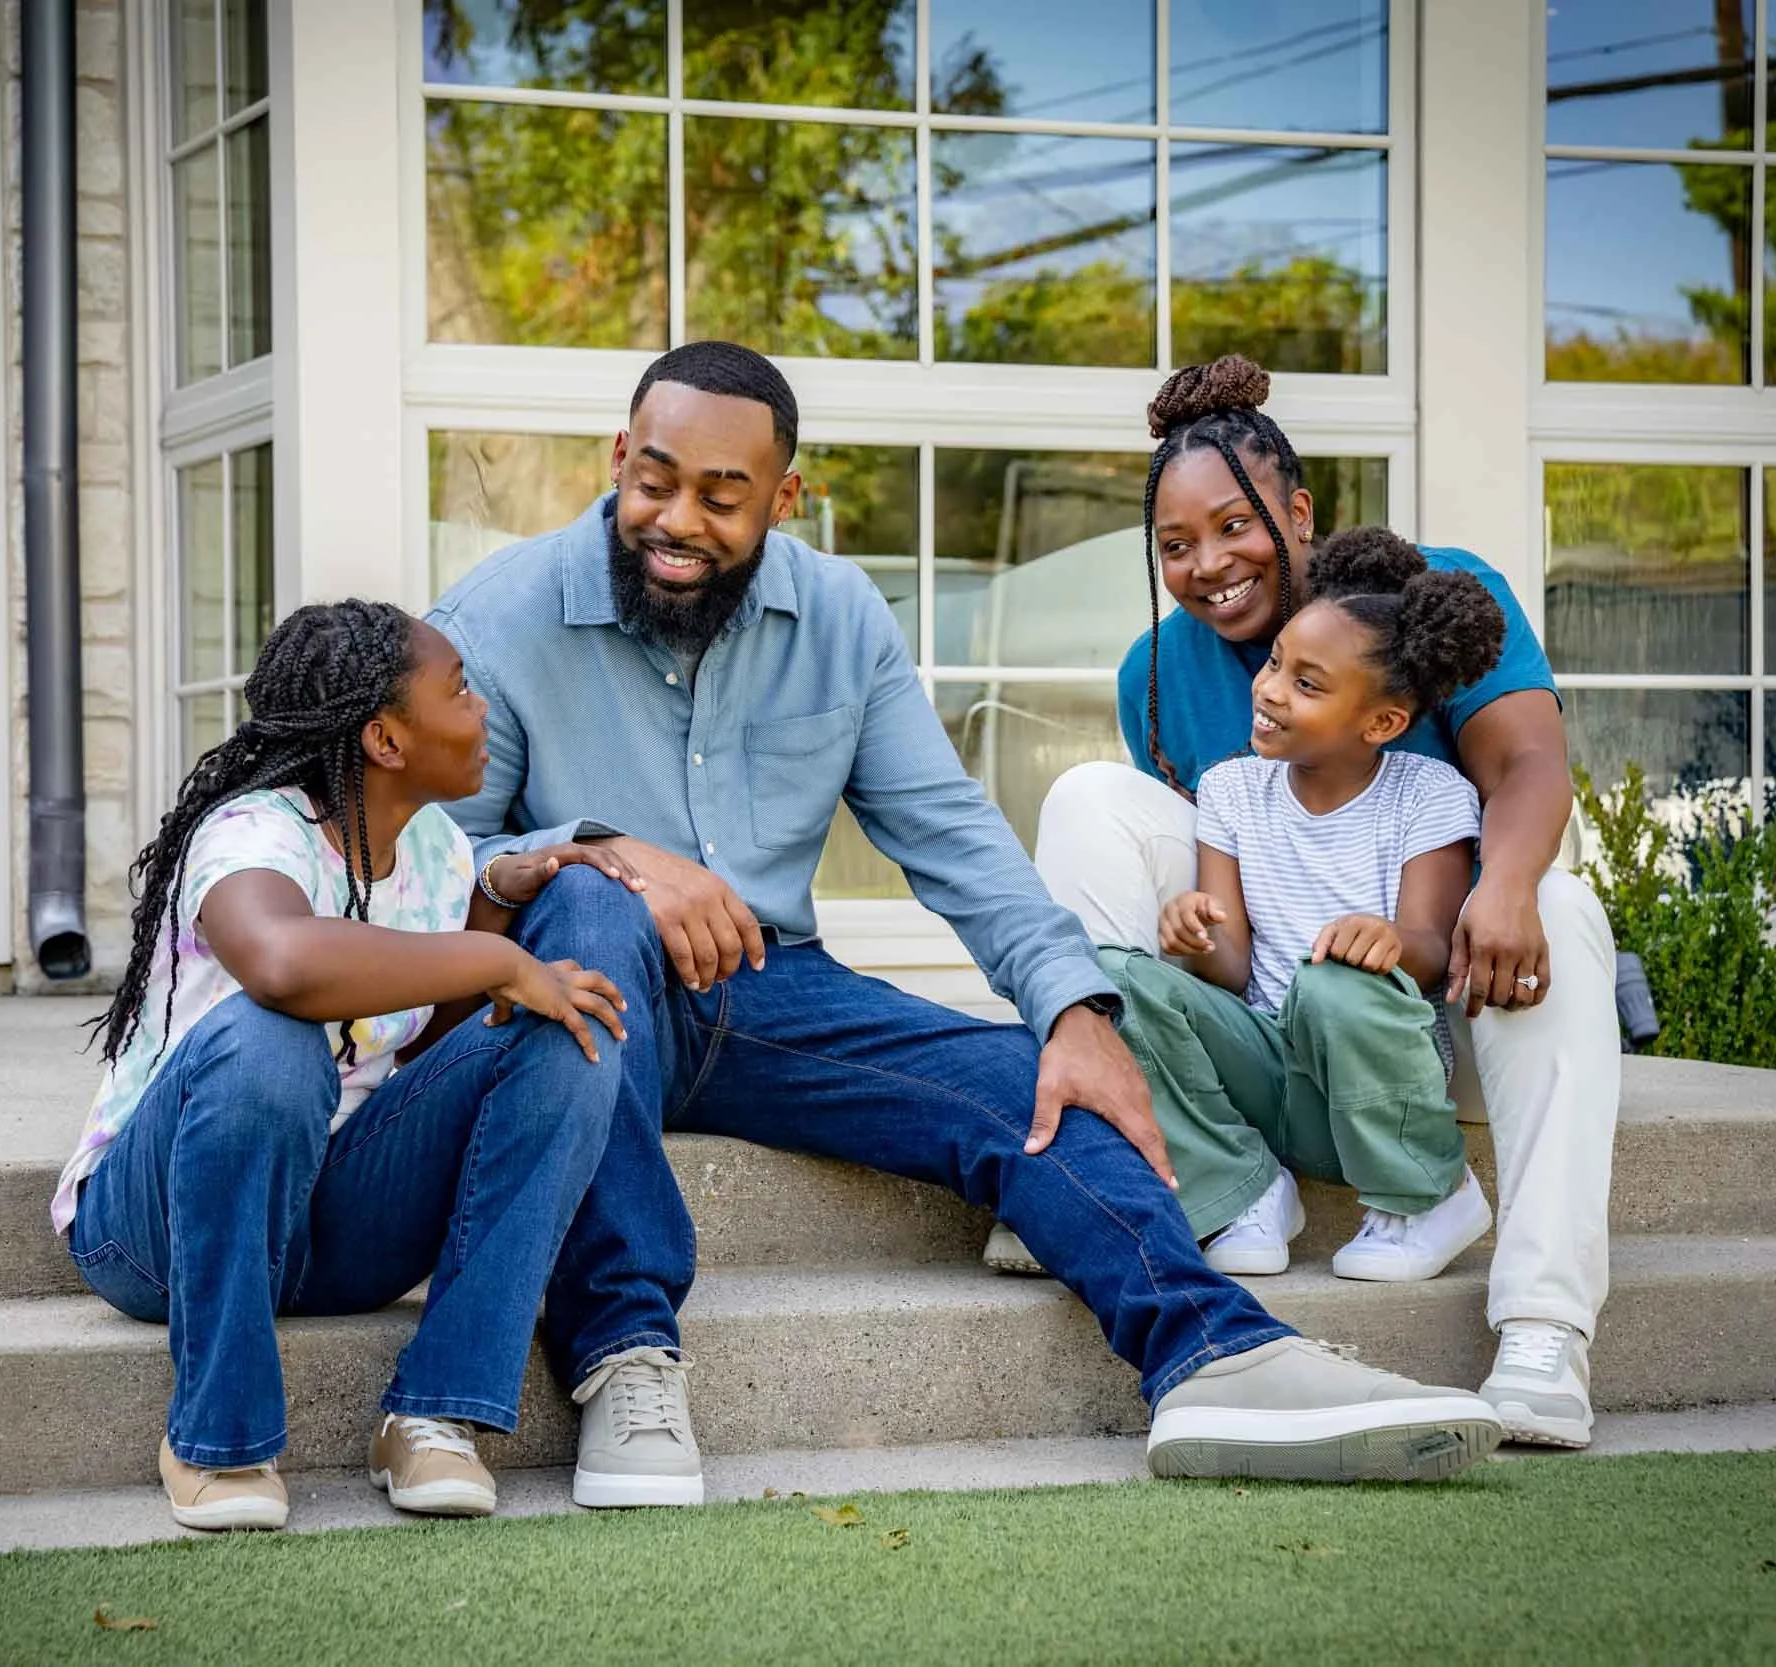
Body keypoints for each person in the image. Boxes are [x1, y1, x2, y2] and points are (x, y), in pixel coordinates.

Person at [428, 340, 1507, 1489]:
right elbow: (433, 873)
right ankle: (625, 1353)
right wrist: (606, 854)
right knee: (595, 909)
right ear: (616, 459)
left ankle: (1215, 1355)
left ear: (785, 499)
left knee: (1038, 1087)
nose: (676, 518)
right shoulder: (499, 618)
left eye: (722, 495)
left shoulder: (838, 615)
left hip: (768, 992)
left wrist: (1075, 1009)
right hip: (567, 995)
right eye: (653, 480)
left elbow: (952, 835)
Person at [1029, 355, 1618, 1450]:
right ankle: (1113, 1152)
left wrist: (1501, 884)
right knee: (1084, 798)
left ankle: (1542, 1323)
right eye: (1173, 544)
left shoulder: (1428, 599)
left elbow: (1531, 763)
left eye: (1233, 526)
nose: (1208, 565)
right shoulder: (1155, 673)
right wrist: (1194, 942)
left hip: (1452, 980)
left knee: (1567, 912)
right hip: (1280, 1011)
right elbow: (1225, 865)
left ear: (1297, 511)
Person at [55, 599, 682, 1531]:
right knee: (271, 1036)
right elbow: (283, 962)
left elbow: (421, 1052)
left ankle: (436, 1411)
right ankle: (216, 1438)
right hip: (154, 1231)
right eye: (461, 691)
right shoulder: (249, 836)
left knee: (568, 1024)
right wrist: (499, 959)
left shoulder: (432, 848)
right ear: (387, 738)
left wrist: (495, 913)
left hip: (332, 1222)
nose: (480, 710)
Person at [1117, 526, 1506, 1285]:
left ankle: (1431, 1190)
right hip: (1273, 1079)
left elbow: (1431, 943)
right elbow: (1227, 971)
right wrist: (1191, 933)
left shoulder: (1428, 796)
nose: (1269, 689)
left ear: (1382, 723)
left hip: (1376, 1090)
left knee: (1332, 982)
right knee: (1116, 976)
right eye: (1275, 663)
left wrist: (1387, 938)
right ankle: (1245, 1185)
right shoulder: (1231, 789)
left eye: (1308, 683)